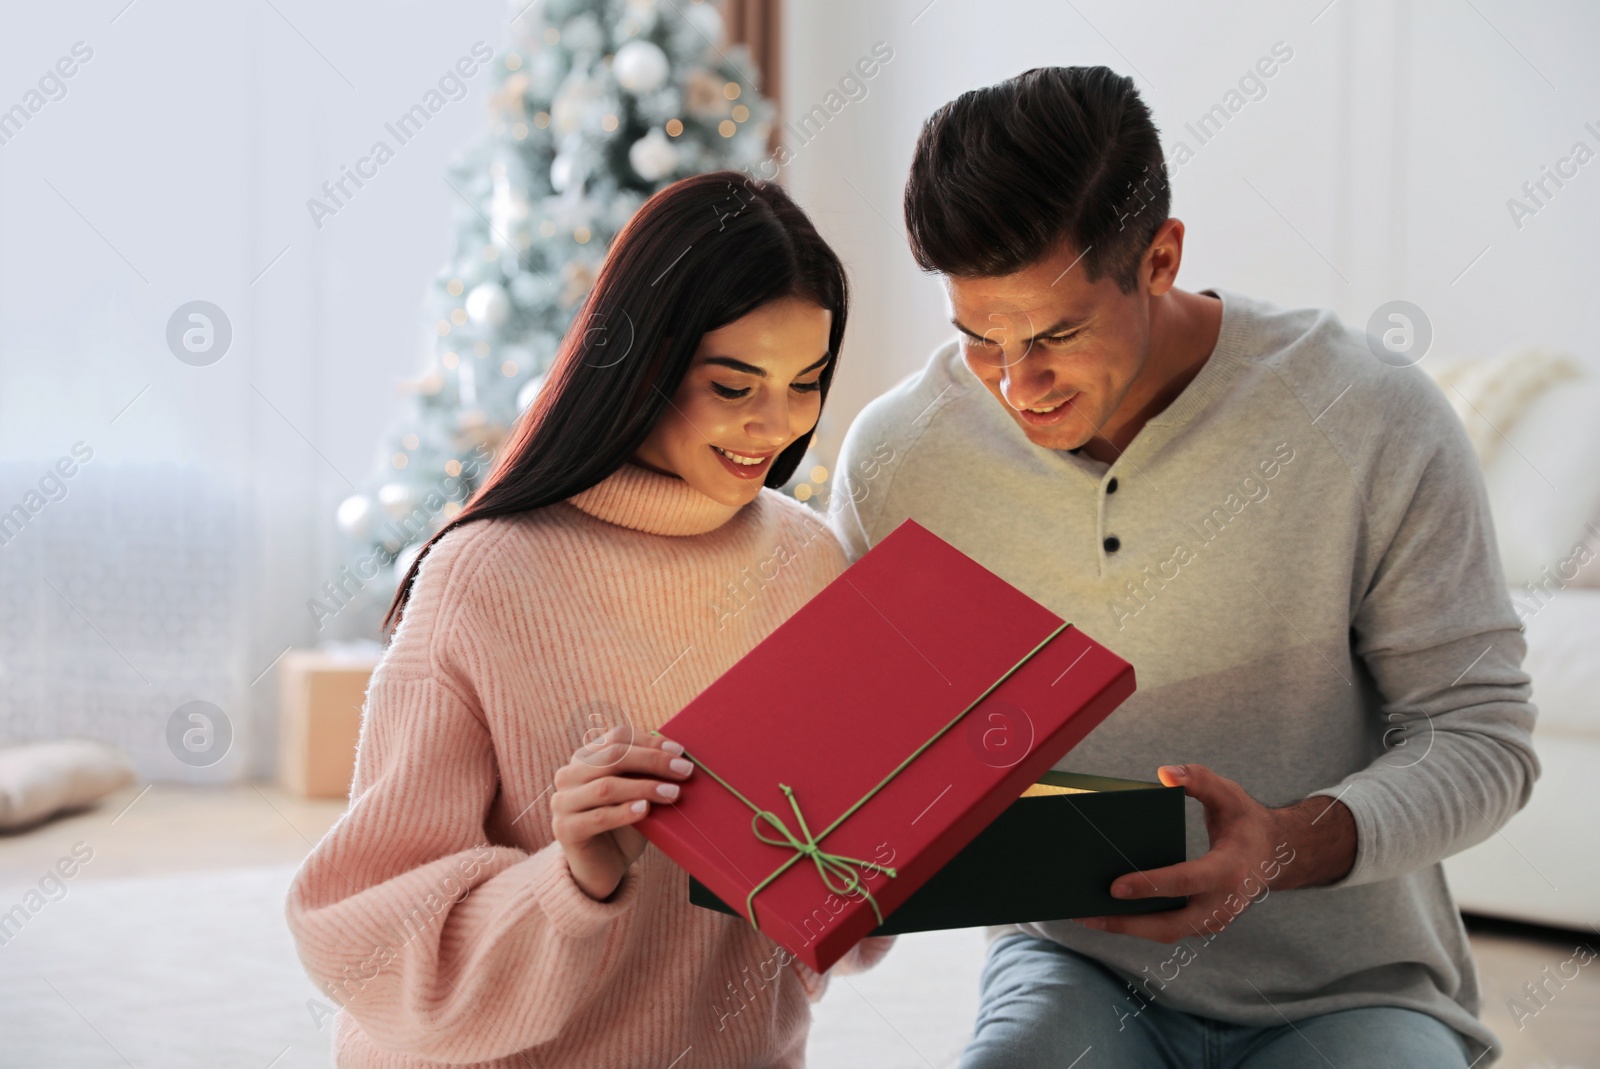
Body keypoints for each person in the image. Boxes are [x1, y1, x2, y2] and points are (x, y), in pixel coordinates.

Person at [830, 66, 1537, 1068]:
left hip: (1349, 986)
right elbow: (870, 761)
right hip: (1074, 965)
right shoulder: (902, 459)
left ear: (1159, 257)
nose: (1014, 385)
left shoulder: (1369, 415)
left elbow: (1482, 738)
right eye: (978, 338)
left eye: (1055, 335)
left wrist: (1281, 844)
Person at [286, 171, 889, 1069]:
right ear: (646, 364)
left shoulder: (808, 560)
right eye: (734, 386)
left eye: (805, 382)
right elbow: (364, 923)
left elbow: (831, 917)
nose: (776, 424)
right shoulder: (482, 573)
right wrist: (574, 873)